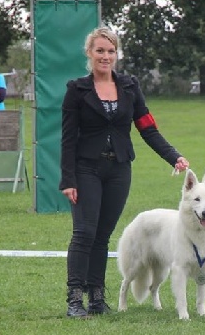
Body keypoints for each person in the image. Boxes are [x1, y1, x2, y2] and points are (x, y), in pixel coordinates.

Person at [60, 26, 190, 318]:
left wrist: (174, 157)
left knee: (102, 236)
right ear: (90, 54)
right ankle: (74, 300)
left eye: (110, 51)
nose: (105, 56)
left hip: (118, 169)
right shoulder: (77, 90)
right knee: (84, 233)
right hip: (85, 169)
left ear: (116, 54)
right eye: (99, 51)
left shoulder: (130, 87)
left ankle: (96, 298)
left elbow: (147, 128)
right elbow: (68, 139)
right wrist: (68, 179)